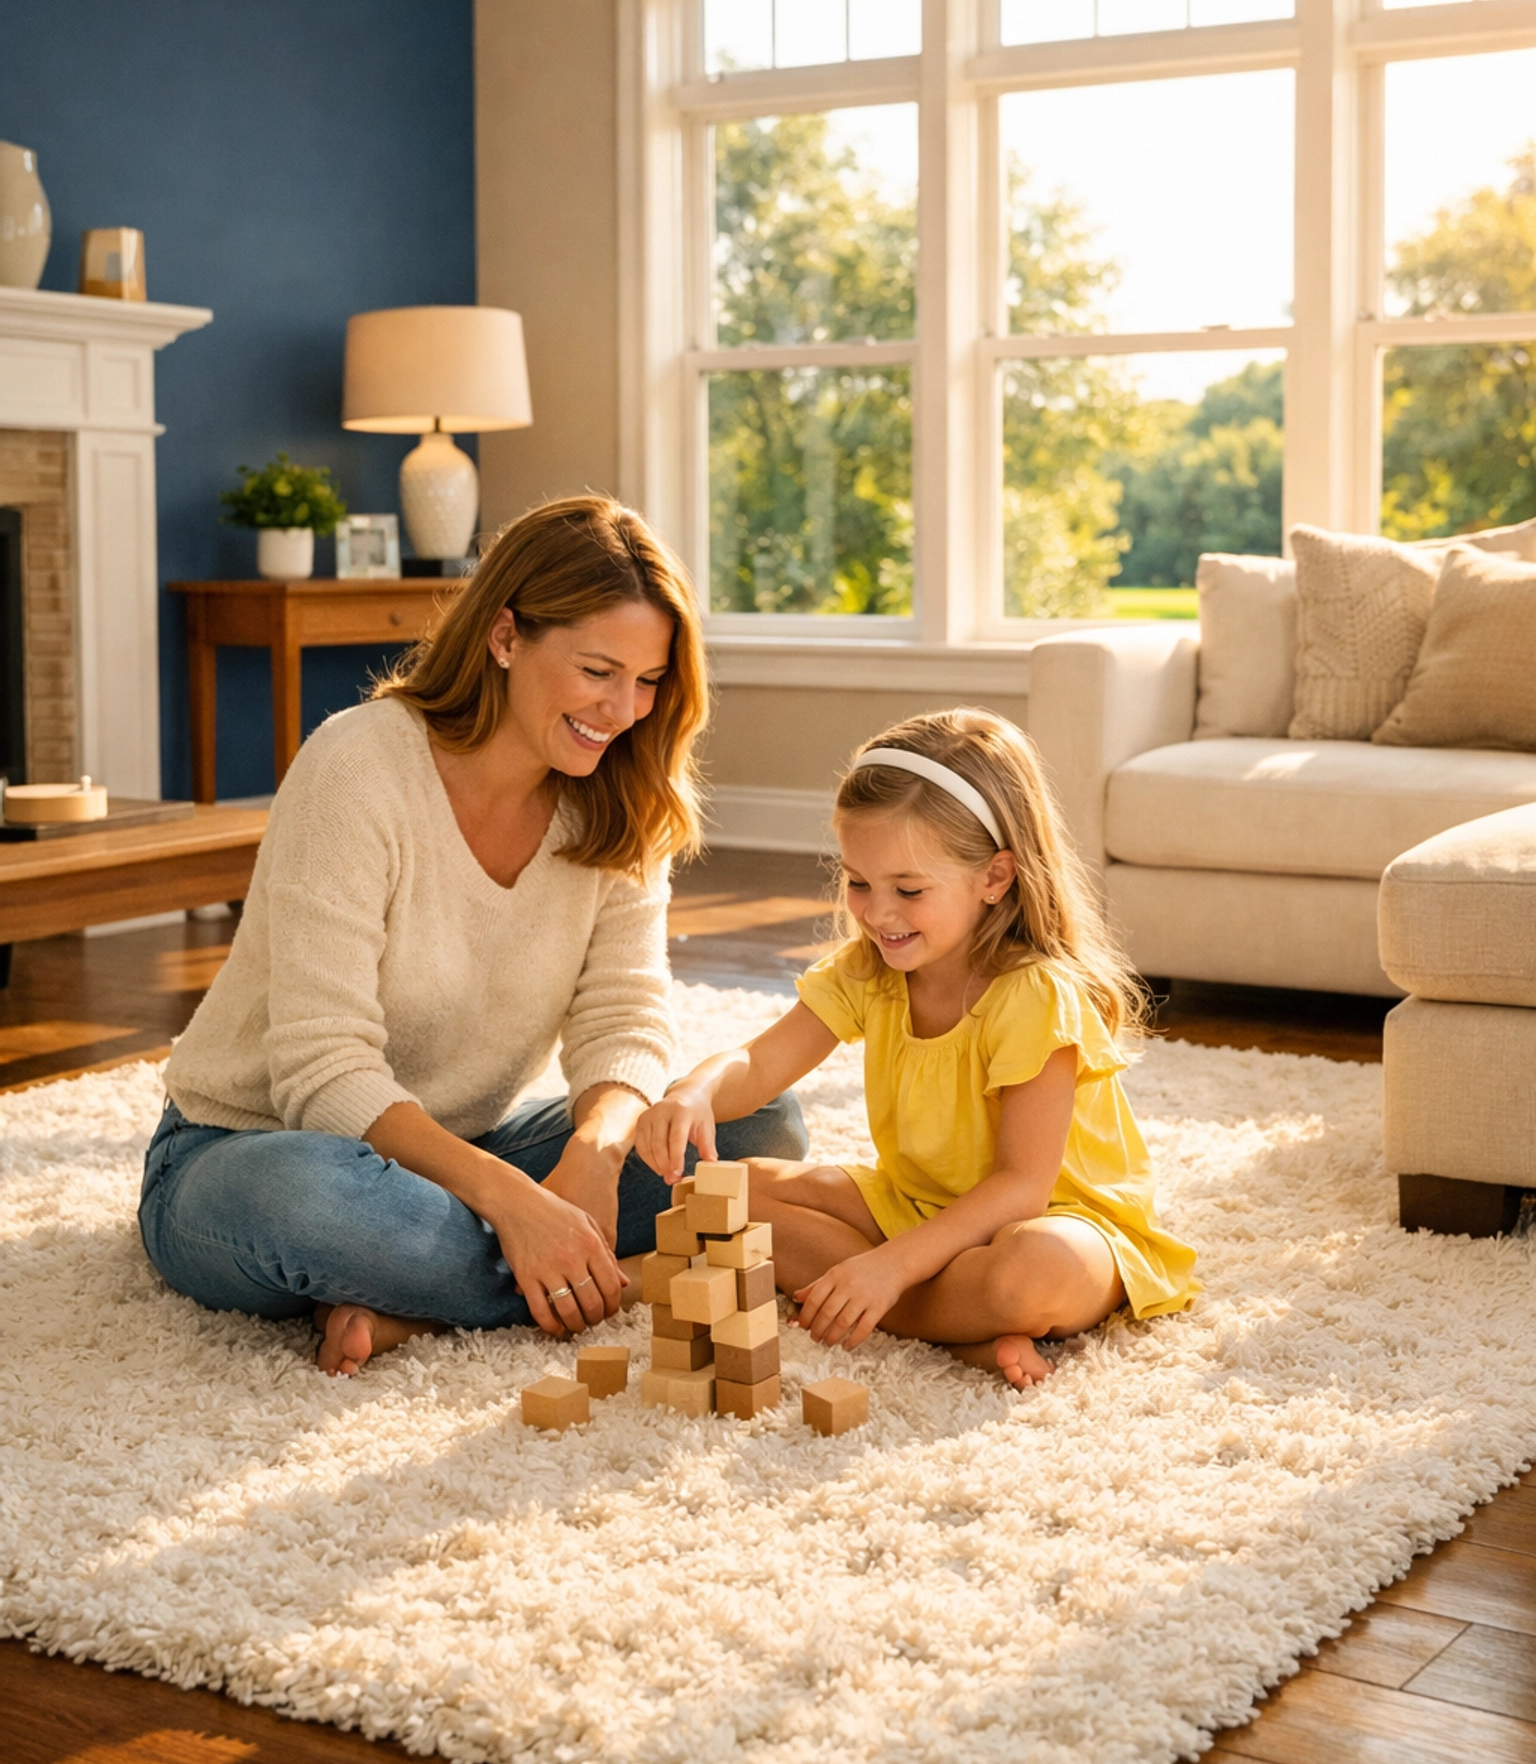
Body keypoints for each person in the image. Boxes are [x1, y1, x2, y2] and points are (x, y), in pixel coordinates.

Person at [139, 493, 805, 1375]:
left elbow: (625, 1020)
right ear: (504, 637)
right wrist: (516, 1205)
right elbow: (320, 1071)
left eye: (648, 682)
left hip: (458, 1147)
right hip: (249, 1152)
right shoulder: (358, 766)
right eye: (598, 671)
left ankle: (419, 1304)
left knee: (757, 1123)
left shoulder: (620, 796)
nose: (623, 710)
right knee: (307, 1203)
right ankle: (624, 1276)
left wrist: (597, 1153)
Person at [636, 708, 1197, 1388]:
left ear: (994, 878)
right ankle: (956, 1332)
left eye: (909, 890)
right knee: (713, 1194)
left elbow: (1022, 1188)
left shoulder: (1035, 994)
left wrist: (890, 1267)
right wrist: (693, 1090)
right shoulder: (868, 969)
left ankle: (928, 1315)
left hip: (1054, 1221)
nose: (878, 914)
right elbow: (760, 1062)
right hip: (914, 1204)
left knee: (1031, 1272)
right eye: (859, 883)